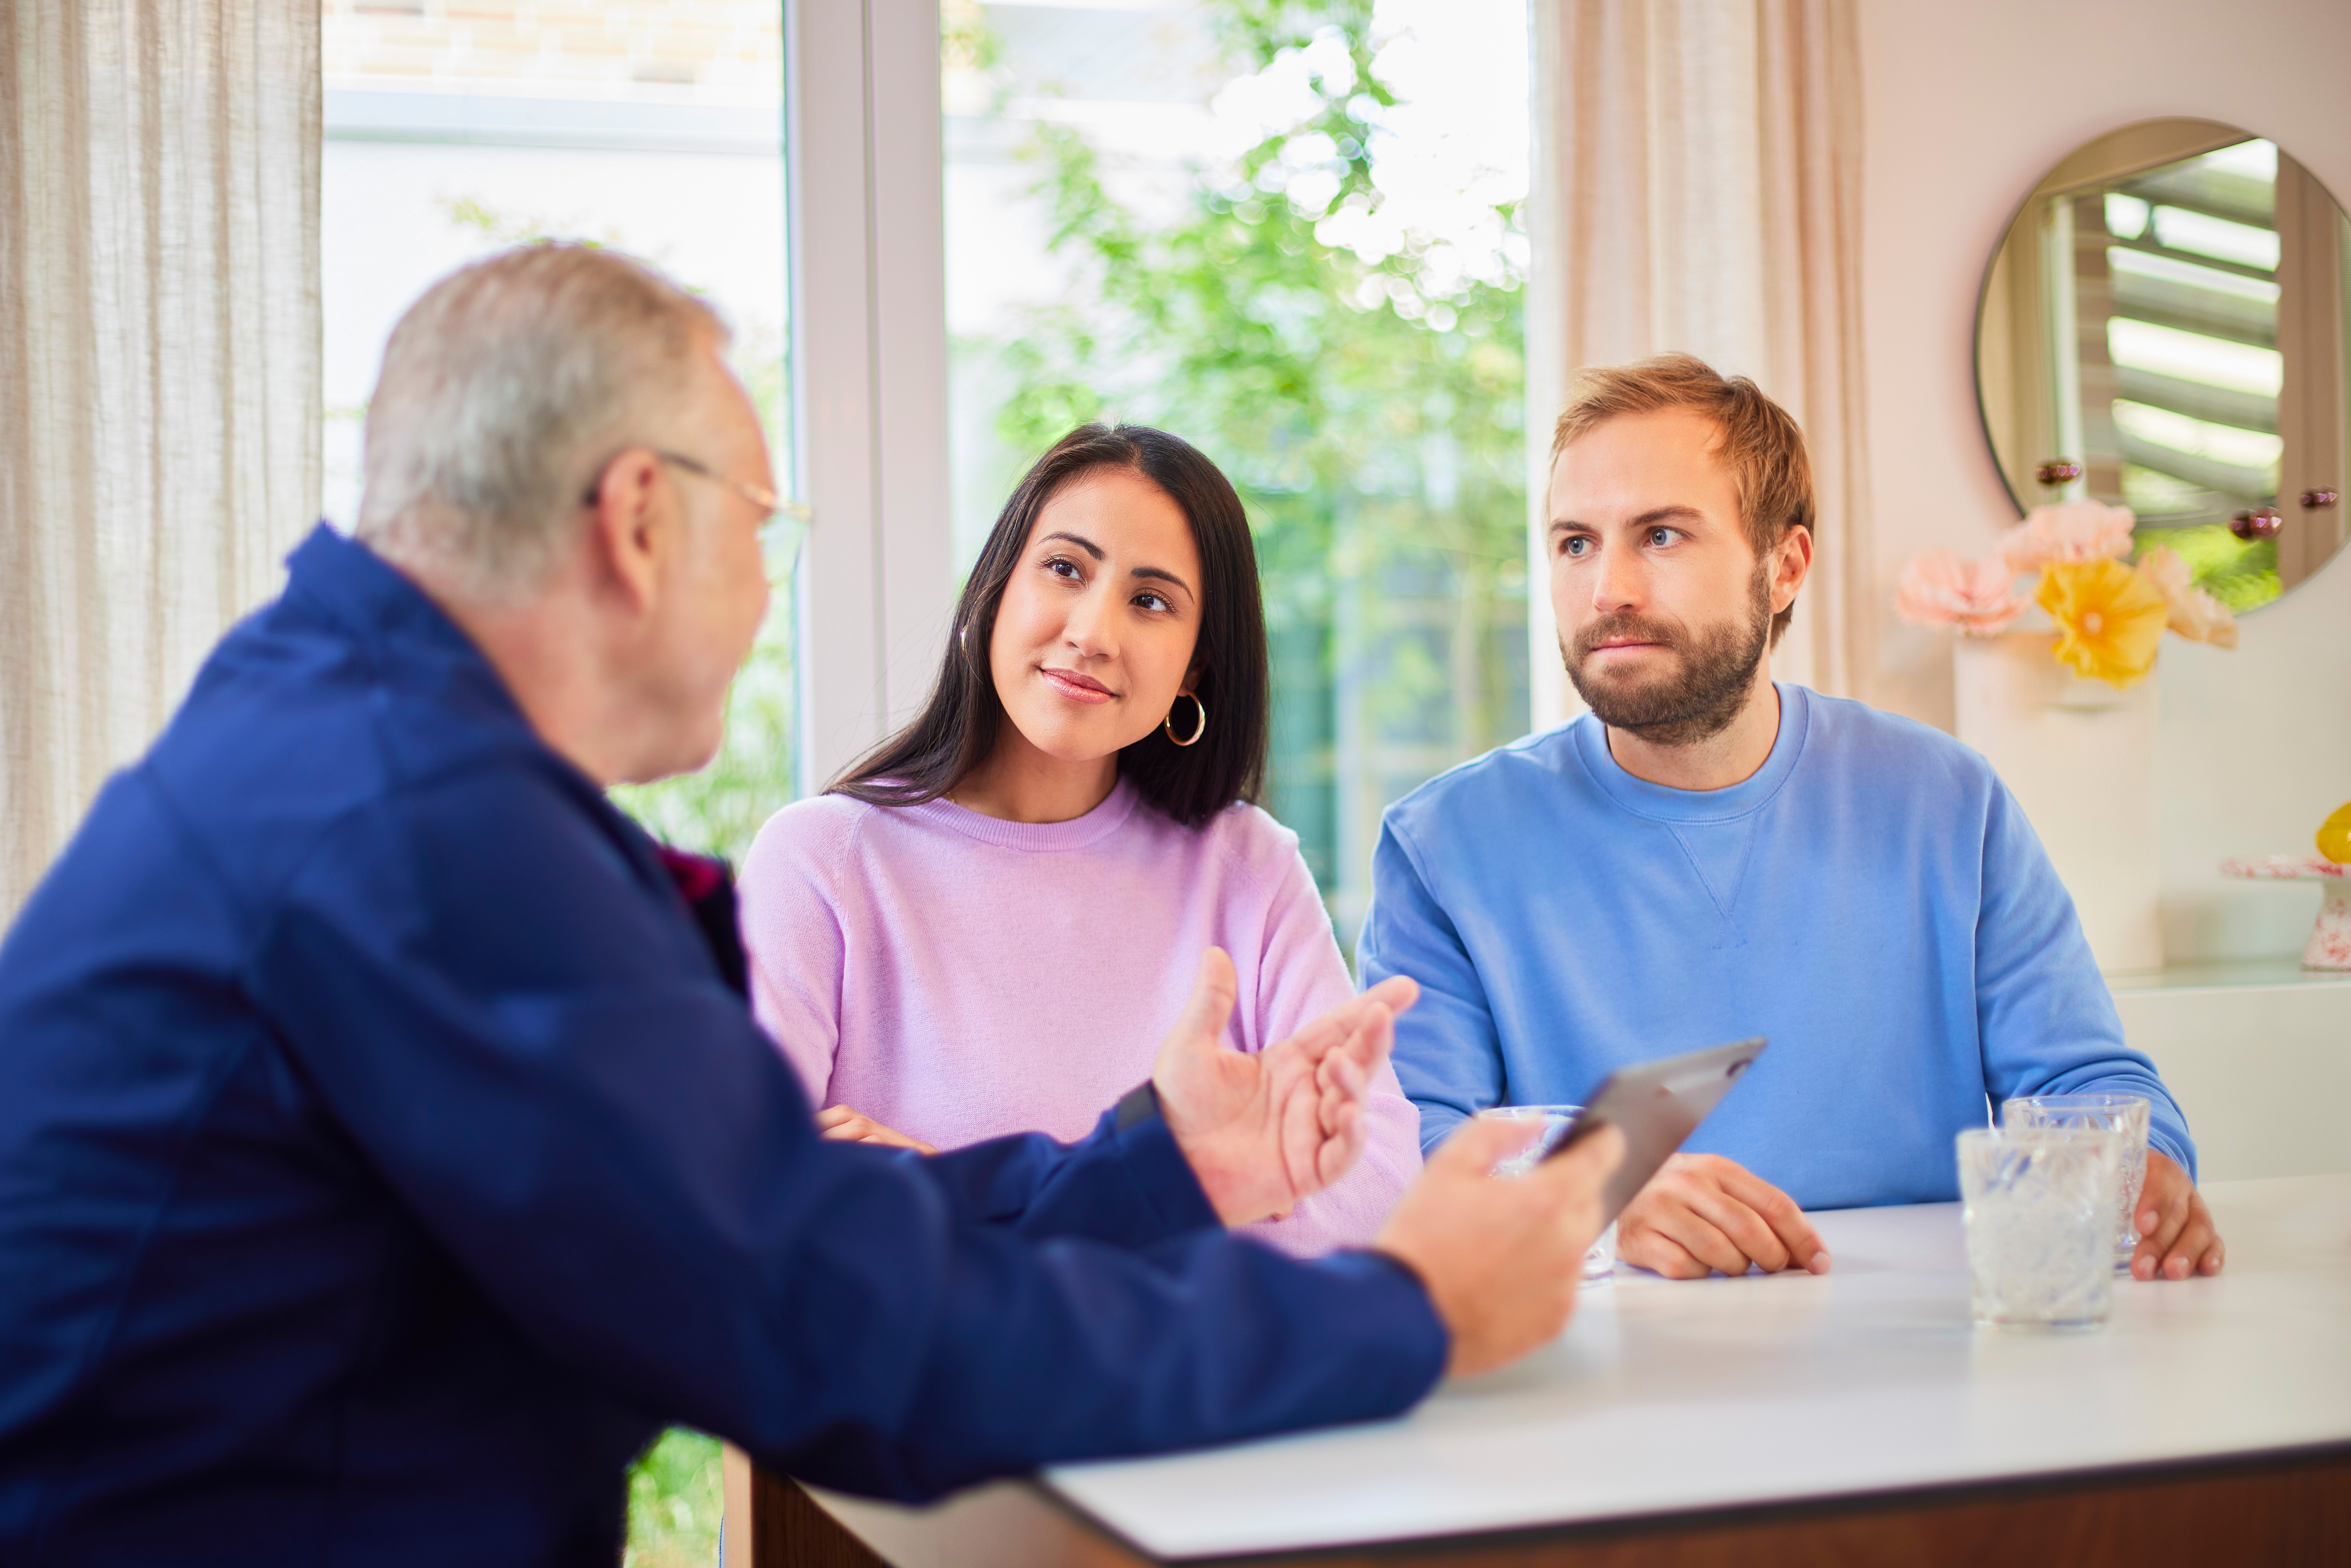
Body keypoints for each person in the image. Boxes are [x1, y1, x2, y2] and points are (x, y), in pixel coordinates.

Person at [0, 245, 1624, 1562]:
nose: (768, 584)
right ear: (640, 517)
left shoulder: (352, 748)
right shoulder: (419, 826)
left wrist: (1161, 1166)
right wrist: (1403, 1314)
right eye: (761, 524)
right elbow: (812, 1313)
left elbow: (761, 1220)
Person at [1359, 352, 2224, 1286]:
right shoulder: (1443, 844)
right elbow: (1405, 1147)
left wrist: (2148, 1171)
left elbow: (2085, 1085)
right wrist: (1592, 1193)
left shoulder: (1947, 802)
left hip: (1915, 1346)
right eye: (1575, 543)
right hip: (1606, 1364)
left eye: (1661, 536)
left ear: (1784, 566)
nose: (1607, 588)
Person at [738, 424, 1420, 1256]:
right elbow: (756, 1206)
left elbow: (1374, 1186)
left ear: (1194, 671)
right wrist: (1186, 1201)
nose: (1094, 632)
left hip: (1175, 1385)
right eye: (1065, 569)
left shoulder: (1248, 868)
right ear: (996, 590)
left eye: (1151, 601)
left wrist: (966, 1208)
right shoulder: (822, 863)